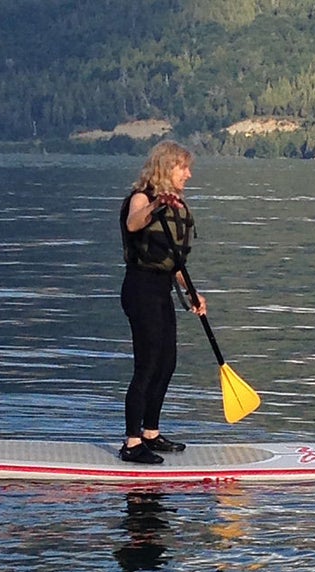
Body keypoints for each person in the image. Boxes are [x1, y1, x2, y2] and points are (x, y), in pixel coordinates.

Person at [118, 140, 207, 464]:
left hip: (161, 289)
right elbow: (133, 222)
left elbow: (172, 261)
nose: (189, 174)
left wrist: (192, 292)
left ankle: (150, 433)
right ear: (166, 167)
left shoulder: (176, 205)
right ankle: (130, 443)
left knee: (167, 363)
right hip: (140, 290)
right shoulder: (143, 198)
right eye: (183, 167)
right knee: (147, 365)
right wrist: (158, 203)